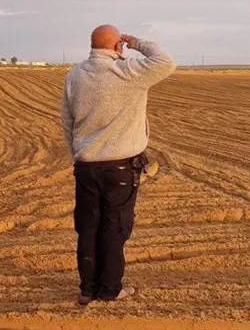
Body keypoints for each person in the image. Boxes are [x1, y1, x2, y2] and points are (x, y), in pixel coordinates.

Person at [60, 24, 176, 306]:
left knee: (88, 228)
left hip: (86, 166)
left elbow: (67, 122)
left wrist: (78, 155)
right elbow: (166, 62)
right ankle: (110, 289)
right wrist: (136, 42)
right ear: (116, 46)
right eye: (121, 44)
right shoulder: (128, 72)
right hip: (120, 168)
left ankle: (87, 289)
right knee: (114, 228)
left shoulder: (74, 75)